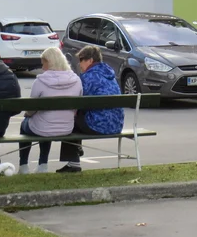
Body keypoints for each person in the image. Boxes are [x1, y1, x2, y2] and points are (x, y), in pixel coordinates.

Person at [57, 45, 124, 173]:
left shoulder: (88, 77)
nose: (79, 63)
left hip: (98, 125)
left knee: (69, 120)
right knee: (81, 115)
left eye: (81, 60)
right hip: (116, 124)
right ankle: (77, 148)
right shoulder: (109, 74)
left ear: (90, 60)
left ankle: (73, 162)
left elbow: (77, 101)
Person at [18, 47, 82, 174]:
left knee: (29, 124)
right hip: (66, 128)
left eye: (43, 64)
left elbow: (31, 108)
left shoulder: (40, 81)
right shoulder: (76, 80)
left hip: (42, 128)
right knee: (44, 122)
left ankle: (24, 166)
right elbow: (76, 108)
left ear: (49, 62)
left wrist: (28, 114)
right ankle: (43, 165)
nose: (42, 68)